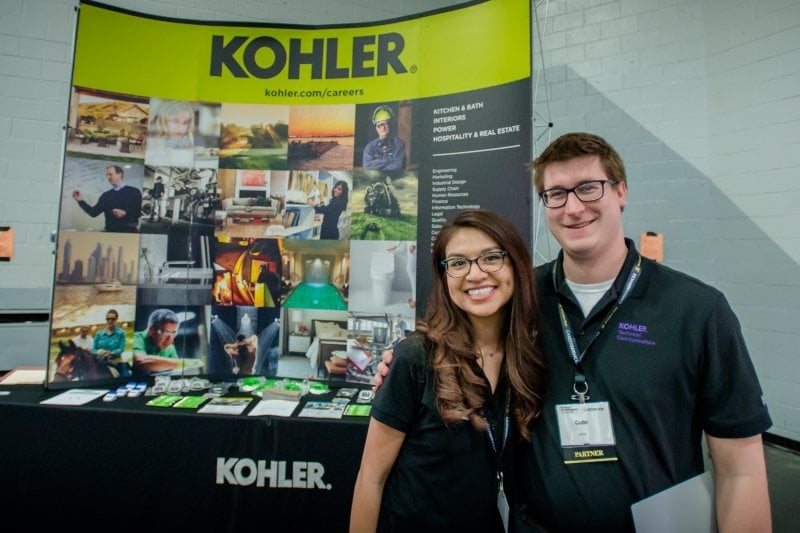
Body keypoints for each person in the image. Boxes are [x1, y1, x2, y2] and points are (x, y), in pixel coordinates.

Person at [378, 132, 773, 532]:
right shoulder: (518, 299)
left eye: (588, 188)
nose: (573, 207)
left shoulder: (697, 310)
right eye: (556, 194)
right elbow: (449, 343)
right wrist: (398, 362)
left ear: (621, 191)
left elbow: (741, 469)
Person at [350, 209, 546, 532]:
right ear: (444, 277)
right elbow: (371, 478)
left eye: (491, 257)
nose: (475, 274)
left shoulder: (525, 358)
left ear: (515, 264)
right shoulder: (416, 357)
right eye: (458, 263)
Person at [72, 165, 142, 232]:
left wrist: (125, 213)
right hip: (110, 233)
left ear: (119, 174)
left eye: (110, 174)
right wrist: (80, 200)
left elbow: (138, 212)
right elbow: (93, 213)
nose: (108, 177)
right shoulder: (105, 196)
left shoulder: (134, 191)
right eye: (107, 175)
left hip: (129, 233)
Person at [145, 99, 196, 167]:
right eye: (175, 121)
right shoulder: (154, 138)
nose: (181, 128)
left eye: (185, 122)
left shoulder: (186, 139)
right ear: (163, 120)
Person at [132, 308, 182, 376]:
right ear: (151, 330)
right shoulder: (136, 338)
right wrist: (183, 363)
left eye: (173, 333)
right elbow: (142, 362)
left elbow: (176, 370)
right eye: (165, 333)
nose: (170, 340)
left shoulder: (170, 347)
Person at [362, 105, 406, 171]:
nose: (383, 128)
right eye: (380, 125)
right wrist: (390, 161)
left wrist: (378, 167)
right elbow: (367, 166)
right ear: (376, 128)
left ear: (391, 124)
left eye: (386, 123)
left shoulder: (399, 144)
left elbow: (399, 165)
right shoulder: (370, 147)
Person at [92, 308, 131, 377]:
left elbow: (121, 349)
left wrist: (110, 353)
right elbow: (93, 350)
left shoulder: (121, 333)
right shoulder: (99, 334)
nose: (110, 321)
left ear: (116, 320)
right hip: (101, 363)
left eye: (112, 319)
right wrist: (98, 352)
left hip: (116, 363)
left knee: (126, 377)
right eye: (108, 319)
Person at [387, 241, 416, 307]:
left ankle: (415, 301)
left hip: (414, 249)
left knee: (411, 272)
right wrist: (396, 245)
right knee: (411, 272)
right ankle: (415, 298)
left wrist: (414, 245)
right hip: (412, 249)